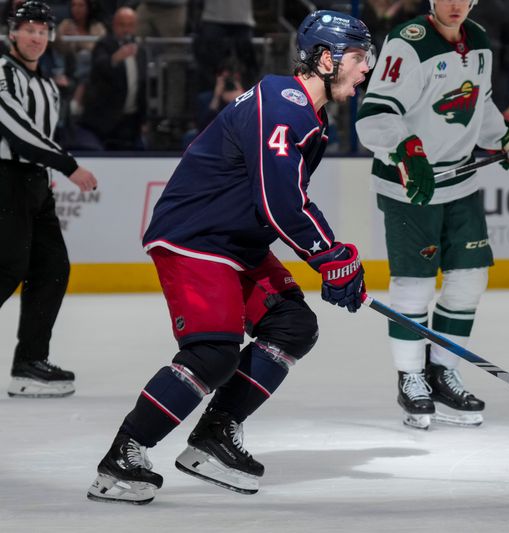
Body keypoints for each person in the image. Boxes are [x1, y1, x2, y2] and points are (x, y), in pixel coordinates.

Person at [86, 10, 373, 505]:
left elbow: (288, 199)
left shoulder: (305, 111)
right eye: (358, 57)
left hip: (235, 243)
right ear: (326, 59)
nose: (366, 67)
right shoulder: (285, 105)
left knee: (292, 326)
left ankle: (215, 435)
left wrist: (335, 258)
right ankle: (123, 457)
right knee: (212, 352)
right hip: (197, 238)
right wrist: (330, 255)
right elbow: (280, 202)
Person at [355, 0, 509, 431]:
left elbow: (479, 104)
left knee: (470, 279)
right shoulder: (408, 44)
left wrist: (506, 140)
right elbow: (374, 116)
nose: (454, 4)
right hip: (410, 185)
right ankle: (411, 377)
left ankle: (442, 372)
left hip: (461, 182)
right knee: (414, 285)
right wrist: (406, 148)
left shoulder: (480, 40)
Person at [0, 0, 98, 398]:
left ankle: (30, 363)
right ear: (12, 32)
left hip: (35, 182)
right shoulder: (3, 72)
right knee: (8, 268)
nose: (37, 37)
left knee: (53, 267)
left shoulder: (45, 85)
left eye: (43, 30)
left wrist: (47, 173)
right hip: (4, 178)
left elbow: (42, 135)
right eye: (30, 29)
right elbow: (16, 129)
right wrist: (67, 165)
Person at [77, 6, 147, 150]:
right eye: (122, 25)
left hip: (131, 120)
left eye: (130, 25)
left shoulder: (140, 51)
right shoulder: (104, 45)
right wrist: (115, 58)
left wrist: (143, 120)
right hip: (106, 121)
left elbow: (142, 86)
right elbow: (99, 67)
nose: (126, 30)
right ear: (114, 25)